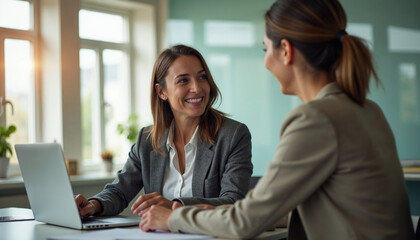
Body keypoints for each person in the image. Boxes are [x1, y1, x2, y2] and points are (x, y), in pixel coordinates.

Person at [139, 0, 416, 239]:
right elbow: (319, 205)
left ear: (285, 50)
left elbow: (245, 223)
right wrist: (221, 213)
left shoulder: (316, 119)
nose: (265, 62)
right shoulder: (366, 108)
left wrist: (172, 219)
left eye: (265, 49)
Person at [74, 45, 253, 218]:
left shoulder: (233, 135)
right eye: (183, 80)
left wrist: (177, 205)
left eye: (202, 77)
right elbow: (119, 192)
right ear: (161, 92)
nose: (197, 88)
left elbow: (233, 202)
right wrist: (93, 205)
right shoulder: (147, 140)